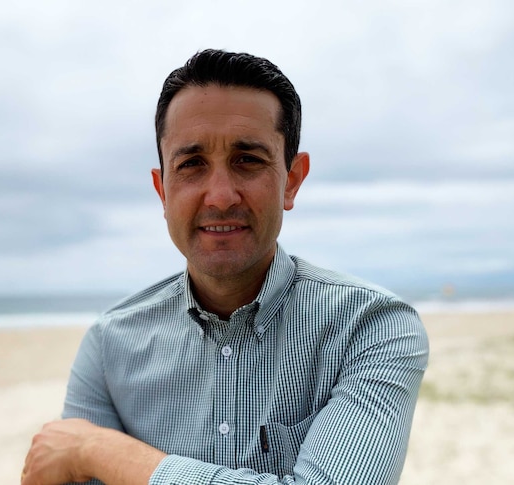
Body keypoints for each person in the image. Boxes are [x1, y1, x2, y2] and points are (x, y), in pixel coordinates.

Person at [22, 49, 429, 485]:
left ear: (292, 180)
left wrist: (98, 449)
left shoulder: (372, 327)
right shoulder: (110, 345)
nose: (219, 195)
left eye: (247, 160)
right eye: (191, 164)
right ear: (162, 189)